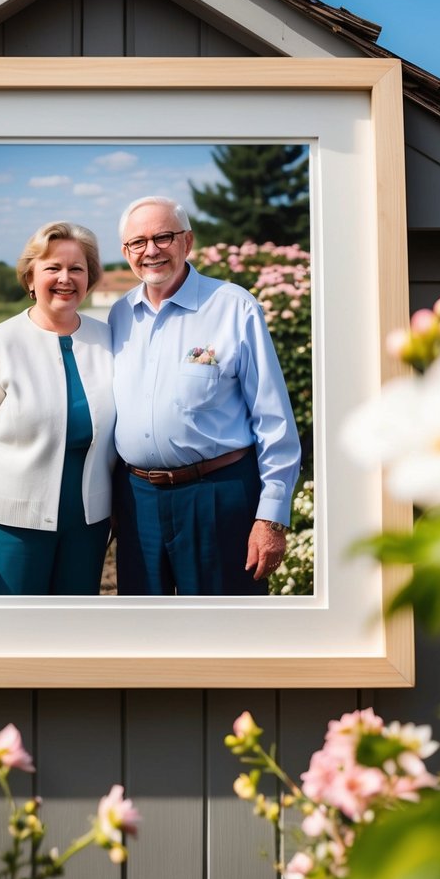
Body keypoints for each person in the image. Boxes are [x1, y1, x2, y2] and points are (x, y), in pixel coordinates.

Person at [109, 196, 301, 596]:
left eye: (163, 236)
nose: (151, 251)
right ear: (126, 252)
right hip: (137, 501)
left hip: (217, 496)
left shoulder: (234, 307)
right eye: (137, 243)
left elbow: (274, 419)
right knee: (143, 635)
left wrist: (271, 519)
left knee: (226, 636)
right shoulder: (119, 315)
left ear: (187, 241)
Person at [0, 221, 116, 595]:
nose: (65, 278)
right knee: (10, 636)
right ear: (30, 277)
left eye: (76, 268)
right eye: (52, 267)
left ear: (90, 278)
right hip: (11, 526)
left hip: (87, 526)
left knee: (73, 635)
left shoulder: (108, 340)